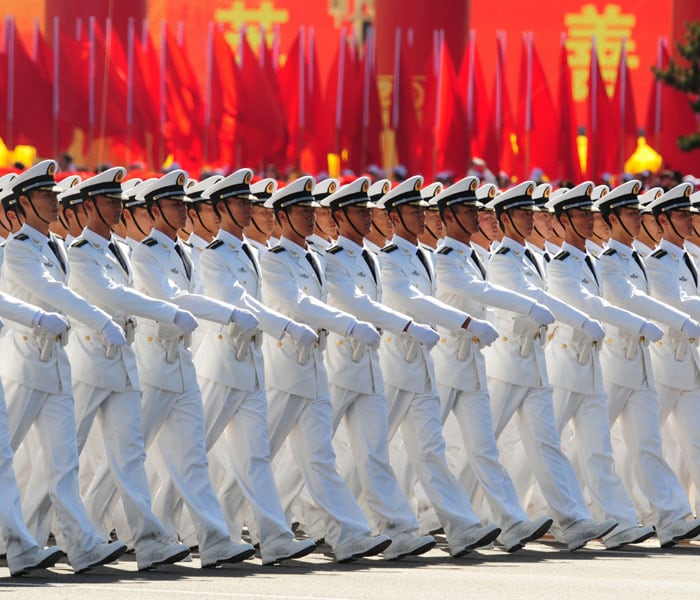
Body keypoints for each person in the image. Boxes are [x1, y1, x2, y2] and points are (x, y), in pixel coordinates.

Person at [0, 160, 127, 572]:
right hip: (24, 364)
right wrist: (99, 319)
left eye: (55, 196)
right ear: (23, 203)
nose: (54, 202)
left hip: (55, 365)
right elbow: (50, 292)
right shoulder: (18, 248)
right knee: (5, 457)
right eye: (45, 196)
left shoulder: (53, 245)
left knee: (63, 460)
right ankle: (19, 541)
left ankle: (78, 544)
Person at [65, 168, 195, 570]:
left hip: (122, 365)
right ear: (88, 206)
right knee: (65, 455)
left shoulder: (118, 249)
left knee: (130, 455)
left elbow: (129, 294)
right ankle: (29, 533)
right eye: (108, 201)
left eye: (119, 200)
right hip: (89, 364)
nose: (117, 207)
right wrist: (169, 311)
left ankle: (150, 541)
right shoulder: (80, 251)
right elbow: (111, 294)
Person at [129, 170, 258, 568]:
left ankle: (213, 539)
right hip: (152, 363)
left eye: (183, 204)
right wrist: (231, 312)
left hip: (182, 364)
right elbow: (174, 297)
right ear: (153, 210)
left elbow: (194, 295)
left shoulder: (184, 251)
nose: (182, 211)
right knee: (130, 454)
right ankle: (93, 526)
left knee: (192, 456)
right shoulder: (145, 252)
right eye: (172, 204)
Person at [260, 176, 392, 563]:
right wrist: (348, 323)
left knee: (318, 456)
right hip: (283, 368)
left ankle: (347, 534)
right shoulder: (275, 259)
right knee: (259, 453)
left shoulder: (314, 257)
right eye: (301, 210)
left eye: (310, 209)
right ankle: (219, 523)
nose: (309, 216)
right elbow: (295, 302)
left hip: (314, 369)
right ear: (283, 215)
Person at [192, 169, 319, 565]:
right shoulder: (214, 255)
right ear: (219, 208)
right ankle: (161, 525)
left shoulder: (251, 252)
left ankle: (274, 537)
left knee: (255, 456)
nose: (249, 208)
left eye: (250, 202)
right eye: (241, 203)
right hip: (221, 365)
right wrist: (285, 326)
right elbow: (237, 301)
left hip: (250, 365)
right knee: (195, 451)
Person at [483, 181, 617, 551]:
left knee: (546, 445)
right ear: (506, 218)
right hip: (508, 362)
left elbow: (544, 297)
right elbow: (534, 298)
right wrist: (581, 320)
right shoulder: (503, 259)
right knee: (482, 441)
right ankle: (454, 513)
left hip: (534, 363)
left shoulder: (532, 256)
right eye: (523, 213)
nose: (530, 219)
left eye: (532, 212)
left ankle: (571, 521)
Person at [374, 175, 503, 557]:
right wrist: (465, 322)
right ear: (395, 217)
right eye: (412, 211)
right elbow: (407, 298)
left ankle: (459, 526)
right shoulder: (388, 257)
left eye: (422, 210)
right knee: (372, 449)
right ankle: (344, 521)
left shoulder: (425, 257)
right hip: (395, 362)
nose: (420, 216)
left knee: (429, 448)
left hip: (423, 367)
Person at [316, 176, 438, 559]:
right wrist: (407, 325)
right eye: (358, 211)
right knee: (312, 452)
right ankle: (295, 520)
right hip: (338, 366)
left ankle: (395, 528)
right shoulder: (333, 259)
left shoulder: (371, 256)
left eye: (369, 210)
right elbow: (356, 303)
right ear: (339, 216)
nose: (368, 217)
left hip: (368, 367)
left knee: (373, 451)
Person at [430, 176, 554, 552]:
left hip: (472, 366)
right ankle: (402, 515)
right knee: (420, 447)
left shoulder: (475, 256)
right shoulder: (446, 257)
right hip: (442, 364)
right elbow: (478, 291)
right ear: (450, 215)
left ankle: (510, 522)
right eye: (469, 210)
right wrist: (526, 305)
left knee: (484, 447)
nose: (478, 216)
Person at [545, 181, 661, 549]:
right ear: (563, 220)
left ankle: (618, 522)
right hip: (565, 362)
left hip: (592, 364)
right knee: (545, 442)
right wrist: (640, 324)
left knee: (598, 448)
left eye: (589, 214)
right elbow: (590, 304)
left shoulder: (591, 262)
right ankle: (528, 509)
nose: (589, 220)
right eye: (581, 214)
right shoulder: (559, 264)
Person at [595, 179, 700, 546]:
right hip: (628, 362)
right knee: (597, 443)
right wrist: (687, 322)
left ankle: (669, 517)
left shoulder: (644, 259)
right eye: (629, 213)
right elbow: (646, 300)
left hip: (656, 364)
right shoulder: (622, 261)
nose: (638, 219)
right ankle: (582, 510)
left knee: (652, 443)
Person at [644, 182, 700, 534]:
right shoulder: (656, 262)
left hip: (688, 365)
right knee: (643, 442)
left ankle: (677, 517)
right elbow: (673, 304)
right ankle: (613, 507)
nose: (687, 220)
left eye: (688, 214)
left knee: (695, 443)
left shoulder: (689, 260)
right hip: (663, 363)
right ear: (663, 220)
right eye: (680, 215)